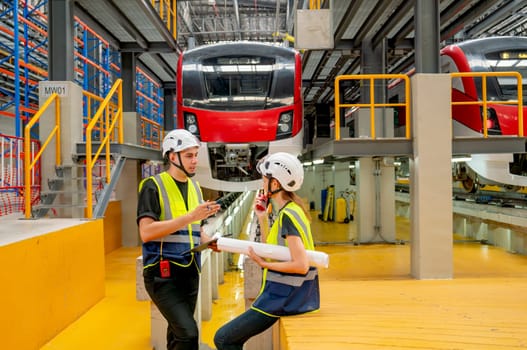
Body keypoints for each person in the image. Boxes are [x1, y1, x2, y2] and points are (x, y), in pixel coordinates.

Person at [214, 152, 320, 350]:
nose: (262, 184)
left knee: (223, 339)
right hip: (286, 295)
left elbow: (301, 264)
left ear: (275, 184)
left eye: (265, 179)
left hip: (283, 297)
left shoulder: (288, 215)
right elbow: (273, 249)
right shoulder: (290, 211)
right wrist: (262, 218)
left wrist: (264, 264)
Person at [137, 129, 221, 350]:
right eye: (189, 156)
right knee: (189, 334)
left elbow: (196, 230)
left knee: (177, 334)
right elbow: (146, 232)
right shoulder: (152, 186)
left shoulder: (194, 187)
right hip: (163, 275)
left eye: (195, 155)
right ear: (172, 157)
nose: (195, 161)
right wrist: (190, 216)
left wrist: (208, 239)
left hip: (190, 272)